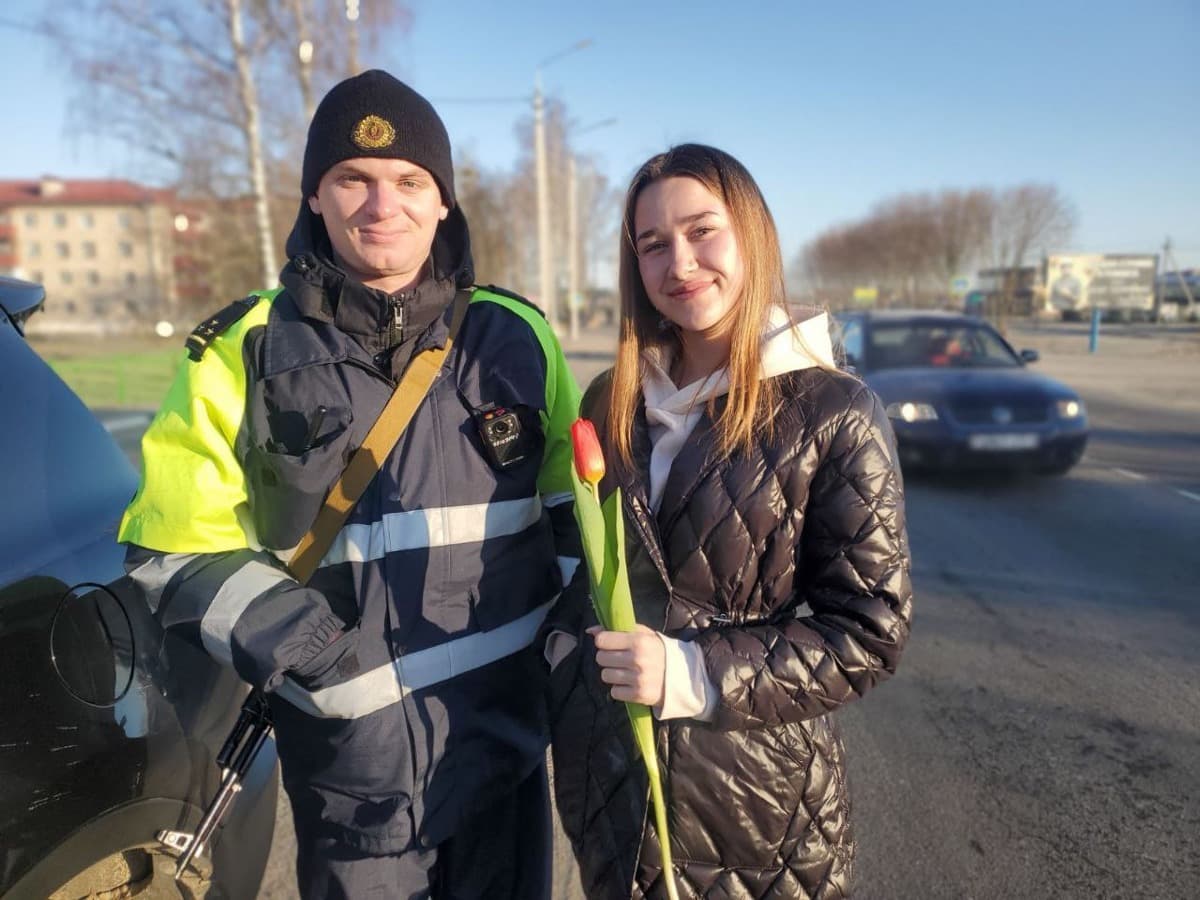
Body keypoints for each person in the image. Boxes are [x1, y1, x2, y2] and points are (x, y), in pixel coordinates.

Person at [118, 70, 584, 899]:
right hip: (352, 786)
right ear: (315, 196)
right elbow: (173, 546)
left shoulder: (519, 338)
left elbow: (576, 526)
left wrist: (575, 668)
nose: (383, 205)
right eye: (353, 180)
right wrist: (321, 662)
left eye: (410, 181)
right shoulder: (242, 347)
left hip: (506, 762)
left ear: (443, 202)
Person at [547, 144, 913, 899]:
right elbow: (589, 567)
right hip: (615, 794)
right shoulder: (610, 399)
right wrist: (565, 661)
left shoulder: (833, 411)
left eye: (701, 230)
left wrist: (690, 673)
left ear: (751, 234)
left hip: (756, 813)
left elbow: (869, 632)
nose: (679, 262)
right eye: (652, 244)